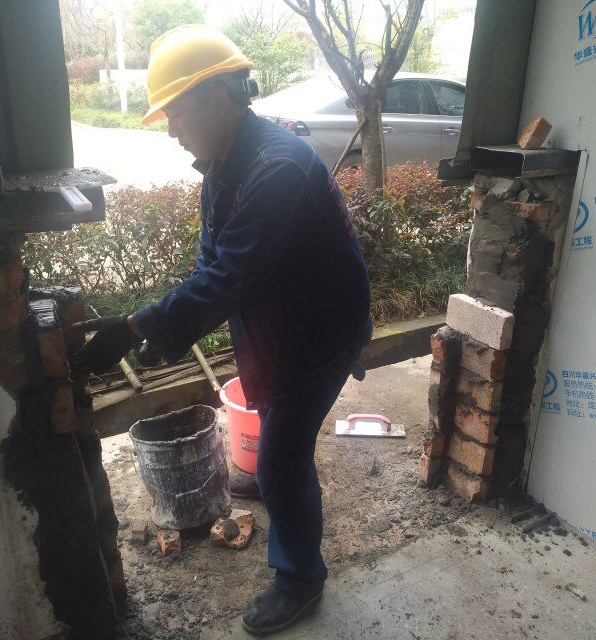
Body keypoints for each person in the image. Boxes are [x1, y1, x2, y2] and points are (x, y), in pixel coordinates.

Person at [74, 24, 371, 636]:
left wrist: (134, 326)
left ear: (216, 100)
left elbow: (229, 277)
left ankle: (300, 579)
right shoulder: (226, 162)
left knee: (283, 460)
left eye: (175, 113)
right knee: (275, 439)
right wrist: (166, 332)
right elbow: (213, 264)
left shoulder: (278, 169)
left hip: (318, 336)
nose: (170, 130)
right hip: (282, 324)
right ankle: (276, 486)